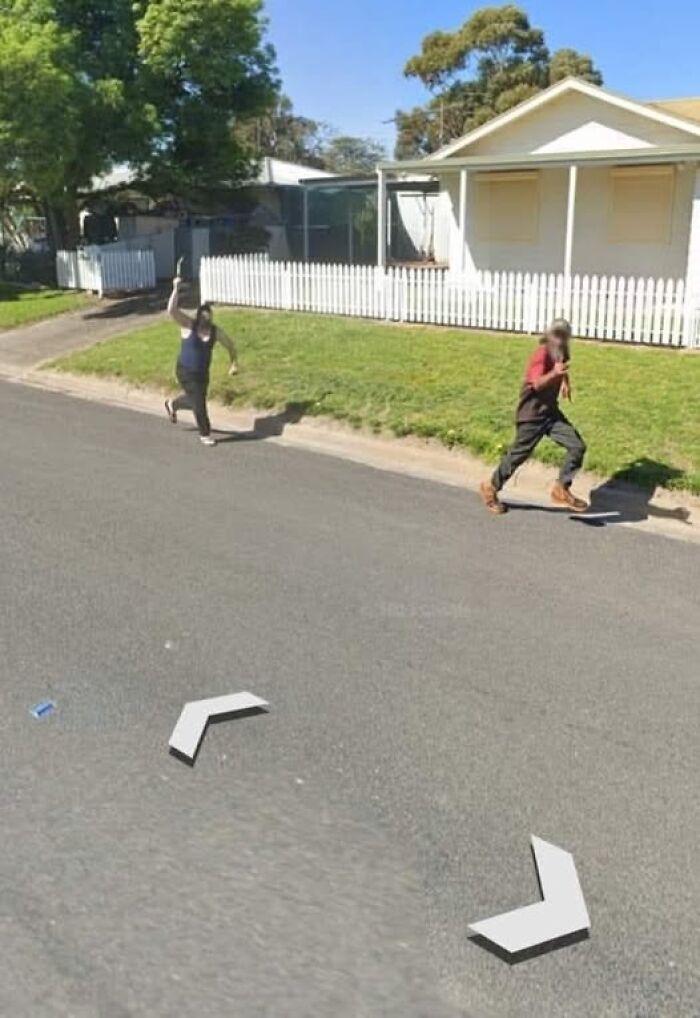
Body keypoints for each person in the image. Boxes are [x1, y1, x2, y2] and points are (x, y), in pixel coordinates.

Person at [480, 319, 588, 515]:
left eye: (564, 336)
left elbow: (561, 366)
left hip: (550, 412)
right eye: (556, 336)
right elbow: (537, 384)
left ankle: (561, 488)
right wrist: (554, 374)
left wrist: (564, 381)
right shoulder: (541, 354)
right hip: (531, 414)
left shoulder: (561, 350)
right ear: (549, 336)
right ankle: (490, 487)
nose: (560, 341)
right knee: (518, 455)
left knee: (577, 446)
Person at [164, 275, 238, 446]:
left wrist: (233, 363)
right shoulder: (188, 325)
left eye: (209, 318)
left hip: (202, 374)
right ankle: (205, 434)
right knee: (199, 404)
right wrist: (176, 289)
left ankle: (172, 404)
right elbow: (171, 311)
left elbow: (230, 346)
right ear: (198, 317)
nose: (206, 321)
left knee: (196, 400)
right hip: (185, 370)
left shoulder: (214, 331)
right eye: (203, 318)